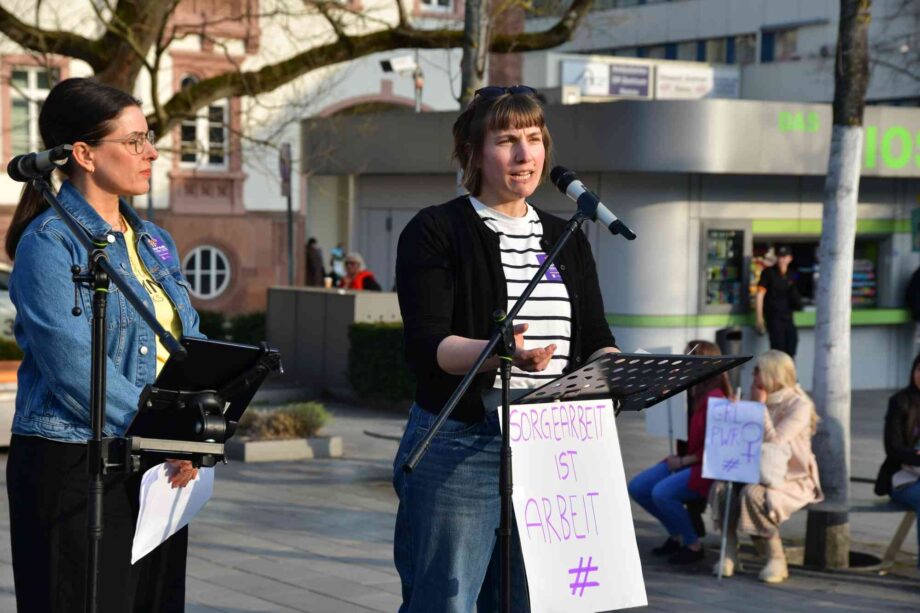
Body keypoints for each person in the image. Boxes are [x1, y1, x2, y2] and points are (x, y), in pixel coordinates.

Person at [391, 85, 619, 612]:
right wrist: (498, 357)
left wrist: (621, 372)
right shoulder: (437, 230)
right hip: (463, 442)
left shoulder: (567, 234)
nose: (525, 155)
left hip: (551, 448)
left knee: (529, 602)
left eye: (535, 139)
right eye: (507, 140)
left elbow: (596, 340)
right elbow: (429, 346)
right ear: (474, 151)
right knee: (445, 603)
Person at [4, 77, 203, 612]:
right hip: (74, 463)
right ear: (85, 154)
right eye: (135, 141)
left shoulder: (155, 241)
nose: (152, 152)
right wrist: (167, 433)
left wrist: (204, 422)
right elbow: (75, 369)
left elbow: (189, 338)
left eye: (149, 136)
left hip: (157, 465)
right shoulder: (48, 243)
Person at [711, 350, 823, 583]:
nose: (753, 378)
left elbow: (775, 442)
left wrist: (758, 409)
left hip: (791, 478)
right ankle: (730, 551)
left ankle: (776, 558)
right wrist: (736, 412)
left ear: (774, 375)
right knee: (722, 489)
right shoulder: (760, 398)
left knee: (755, 495)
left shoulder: (798, 405)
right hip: (754, 470)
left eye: (758, 372)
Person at [627, 340, 733, 565]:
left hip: (703, 466)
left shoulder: (715, 398)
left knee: (661, 493)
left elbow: (715, 449)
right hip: (686, 460)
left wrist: (683, 460)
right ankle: (677, 532)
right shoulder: (690, 392)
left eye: (690, 358)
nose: (685, 363)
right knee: (638, 487)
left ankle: (691, 543)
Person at [874, 352, 920, 568]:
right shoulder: (901, 401)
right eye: (919, 370)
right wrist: (915, 457)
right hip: (903, 478)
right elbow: (892, 447)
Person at [755, 245, 802, 358]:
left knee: (791, 347)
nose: (782, 259)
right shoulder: (768, 272)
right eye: (780, 256)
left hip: (788, 317)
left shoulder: (792, 274)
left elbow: (796, 295)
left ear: (790, 258)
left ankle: (789, 374)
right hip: (774, 317)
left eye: (784, 257)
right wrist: (759, 318)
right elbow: (760, 295)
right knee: (777, 350)